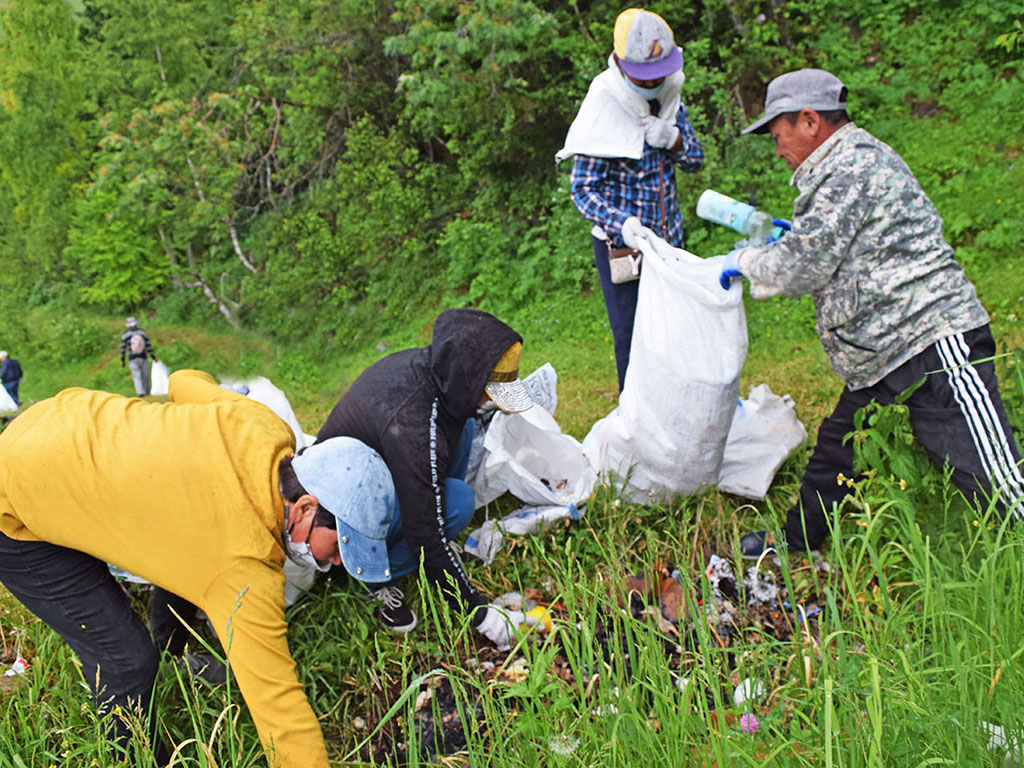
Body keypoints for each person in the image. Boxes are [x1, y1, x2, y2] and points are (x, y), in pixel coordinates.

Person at [718, 68, 1024, 557]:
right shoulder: (842, 168)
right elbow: (824, 247)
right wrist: (789, 241)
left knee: (991, 475)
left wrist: (741, 262)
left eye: (779, 136)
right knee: (838, 449)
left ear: (811, 121)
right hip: (883, 351)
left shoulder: (850, 168)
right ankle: (798, 543)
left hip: (931, 341)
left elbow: (801, 266)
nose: (778, 150)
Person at [0, 369, 366, 766]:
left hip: (56, 418)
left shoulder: (263, 426)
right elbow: (279, 708)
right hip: (13, 504)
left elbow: (183, 382)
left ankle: (172, 652)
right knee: (126, 660)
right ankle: (134, 757)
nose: (337, 563)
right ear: (307, 505)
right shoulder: (240, 571)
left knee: (180, 548)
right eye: (341, 545)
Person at [316, 308, 541, 649]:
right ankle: (376, 579)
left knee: (463, 423)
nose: (490, 404)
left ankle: (433, 554)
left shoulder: (433, 373)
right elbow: (423, 531)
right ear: (468, 377)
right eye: (489, 393)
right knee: (458, 503)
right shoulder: (413, 425)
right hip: (339, 525)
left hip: (377, 477)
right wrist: (480, 614)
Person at [556, 7, 703, 391]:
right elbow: (583, 190)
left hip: (670, 242)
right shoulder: (603, 104)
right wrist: (622, 224)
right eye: (645, 74)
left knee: (675, 330)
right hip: (625, 249)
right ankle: (637, 424)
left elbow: (695, 160)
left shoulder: (671, 94)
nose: (655, 81)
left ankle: (679, 405)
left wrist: (673, 139)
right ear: (621, 63)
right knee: (633, 336)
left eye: (660, 73)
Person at [120, 316, 158, 396]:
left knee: (136, 375)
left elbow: (123, 348)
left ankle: (140, 392)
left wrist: (122, 359)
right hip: (143, 357)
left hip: (132, 358)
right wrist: (153, 357)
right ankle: (146, 391)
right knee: (145, 375)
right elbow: (148, 346)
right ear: (136, 323)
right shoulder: (142, 332)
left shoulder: (125, 334)